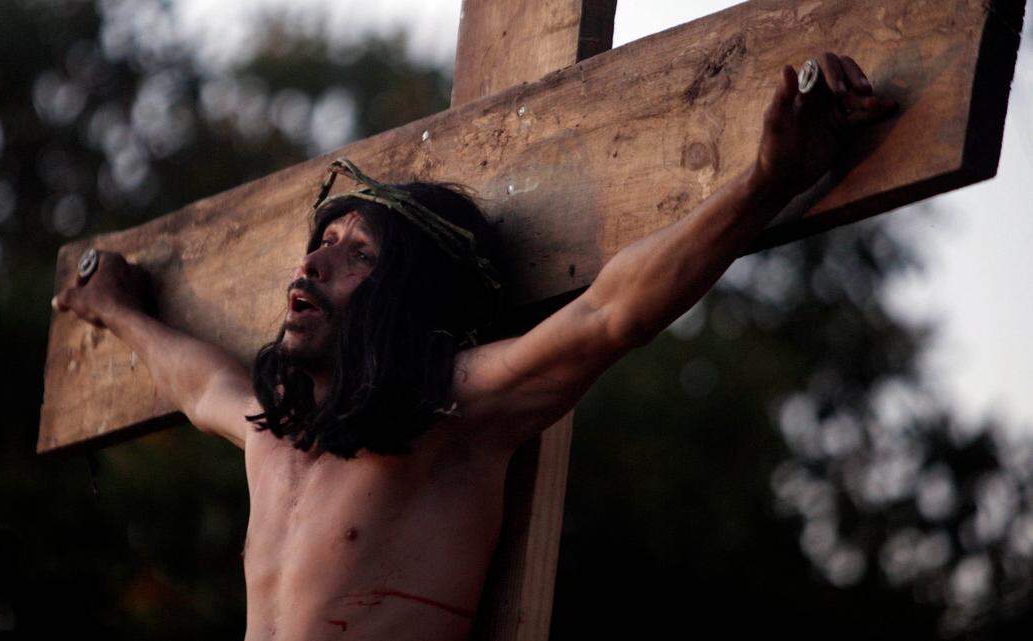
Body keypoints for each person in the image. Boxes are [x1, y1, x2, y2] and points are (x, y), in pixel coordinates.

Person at [52, 53, 897, 641]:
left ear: (404, 300)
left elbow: (609, 314)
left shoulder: (448, 414)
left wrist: (765, 182)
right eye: (323, 239)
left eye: (357, 253)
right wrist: (117, 310)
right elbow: (195, 380)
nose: (313, 260)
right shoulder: (274, 433)